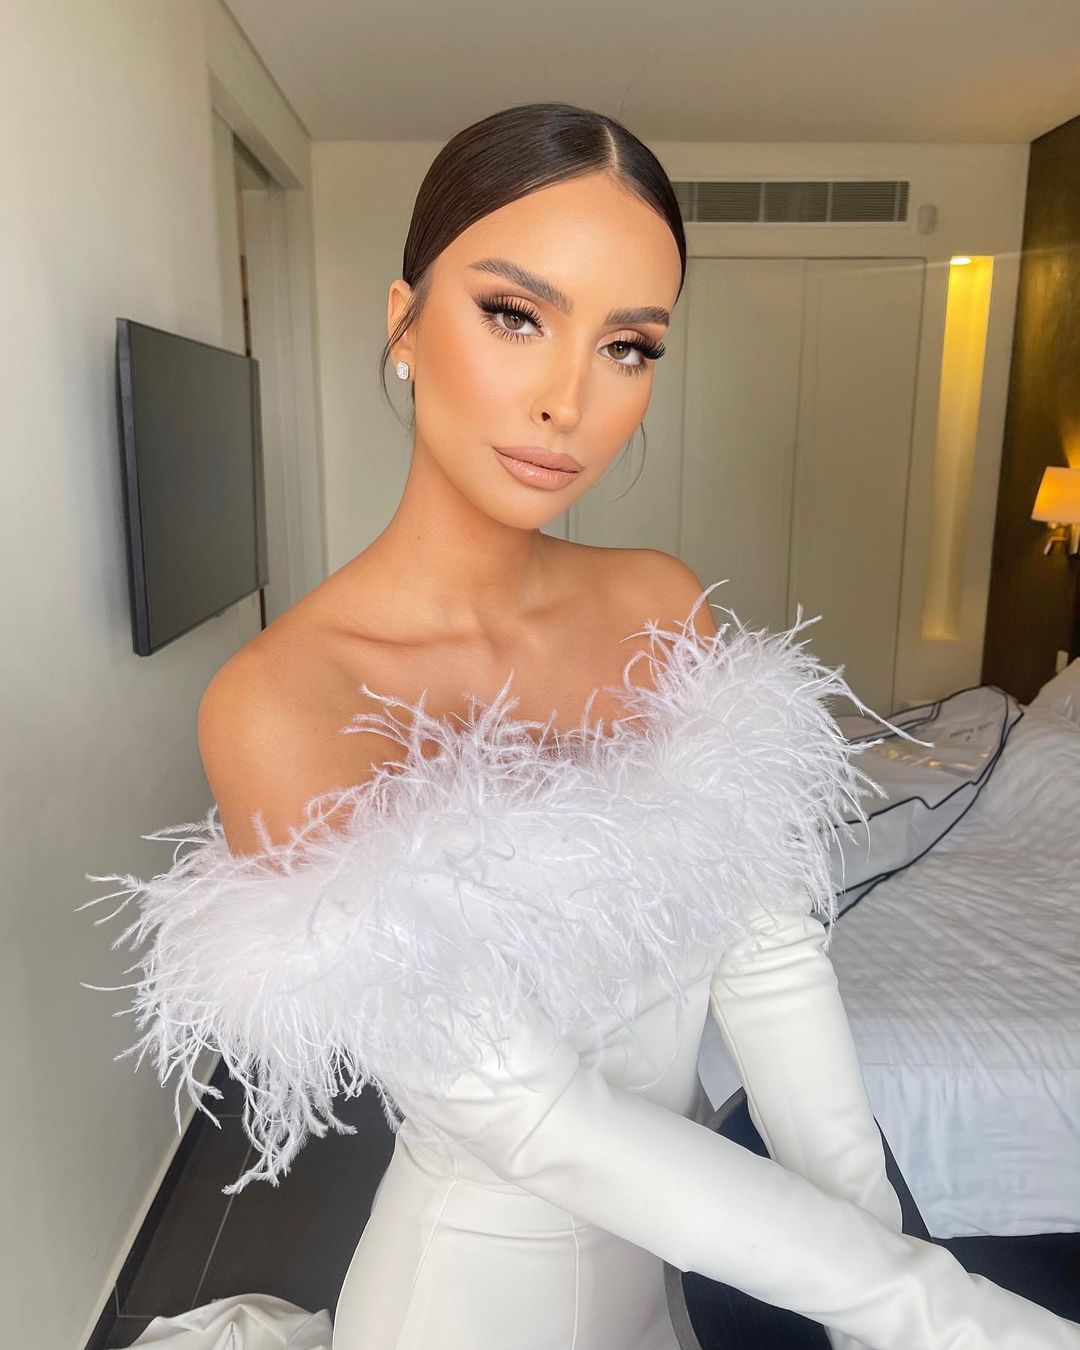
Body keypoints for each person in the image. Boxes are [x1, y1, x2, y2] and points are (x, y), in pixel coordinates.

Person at [82, 103, 1080, 1350]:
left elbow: (771, 961)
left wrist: (879, 1288)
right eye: (516, 314)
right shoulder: (285, 700)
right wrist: (953, 1318)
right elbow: (532, 1116)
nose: (570, 400)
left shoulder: (659, 604)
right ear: (405, 322)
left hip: (665, 1291)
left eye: (628, 346)